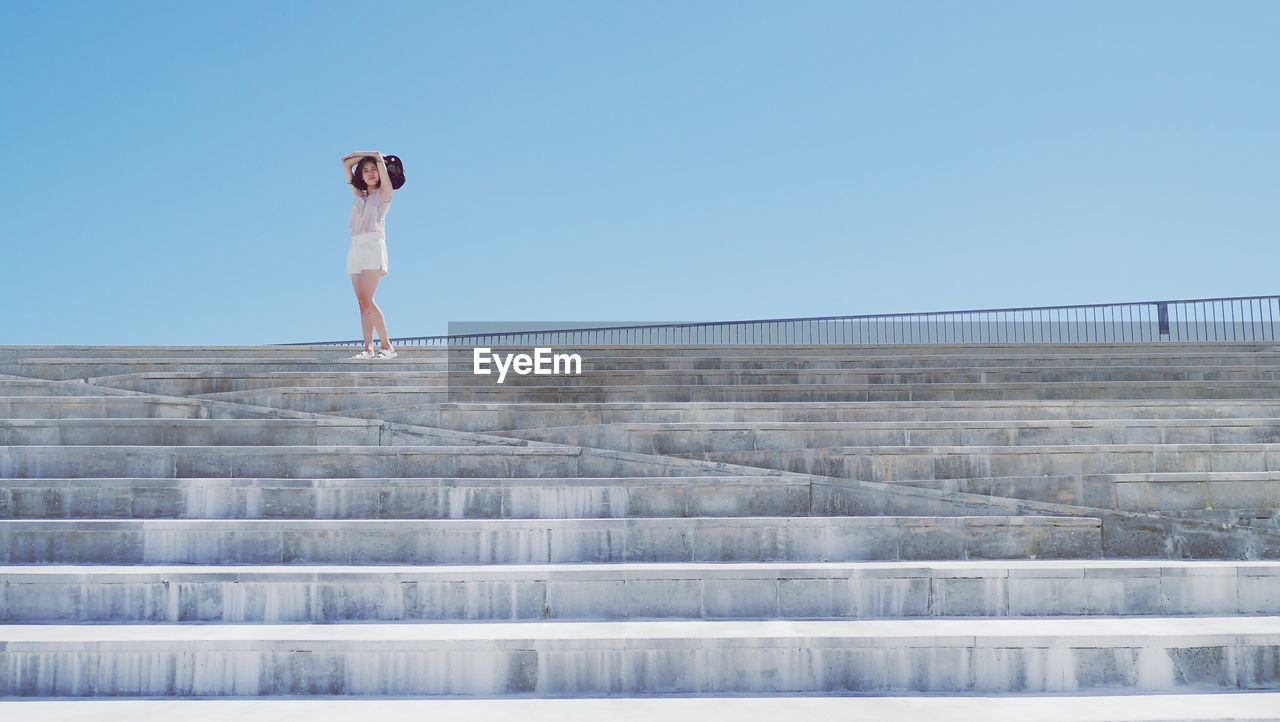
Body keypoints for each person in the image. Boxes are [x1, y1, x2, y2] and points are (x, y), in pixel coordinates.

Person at [341, 151, 397, 359]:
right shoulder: (359, 194)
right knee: (361, 302)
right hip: (355, 247)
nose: (370, 173)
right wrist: (362, 156)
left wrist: (375, 156)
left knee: (367, 298)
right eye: (365, 170)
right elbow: (345, 163)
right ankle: (368, 348)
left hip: (373, 245)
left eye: (374, 169)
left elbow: (379, 166)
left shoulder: (384, 193)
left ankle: (387, 345)